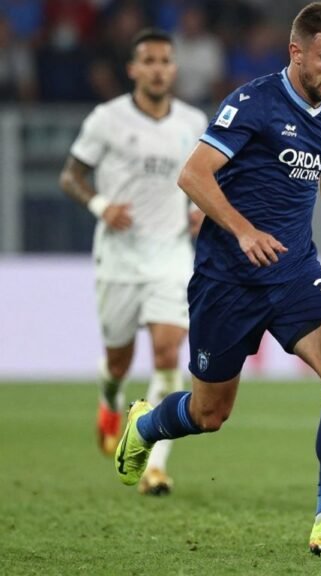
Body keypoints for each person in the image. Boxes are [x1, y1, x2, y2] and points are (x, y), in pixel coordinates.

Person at [111, 2, 321, 557]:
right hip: (227, 281)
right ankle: (146, 426)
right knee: (210, 414)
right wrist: (243, 231)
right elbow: (193, 174)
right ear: (295, 52)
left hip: (294, 272)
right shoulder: (252, 102)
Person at [59, 28, 207, 496]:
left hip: (171, 255)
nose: (159, 68)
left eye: (166, 60)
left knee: (167, 353)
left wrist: (200, 209)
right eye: (149, 61)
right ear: (133, 69)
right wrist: (102, 207)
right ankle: (109, 399)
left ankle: (154, 462)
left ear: (174, 69)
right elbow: (71, 175)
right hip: (119, 258)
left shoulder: (193, 120)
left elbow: (205, 176)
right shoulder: (107, 118)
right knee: (119, 360)